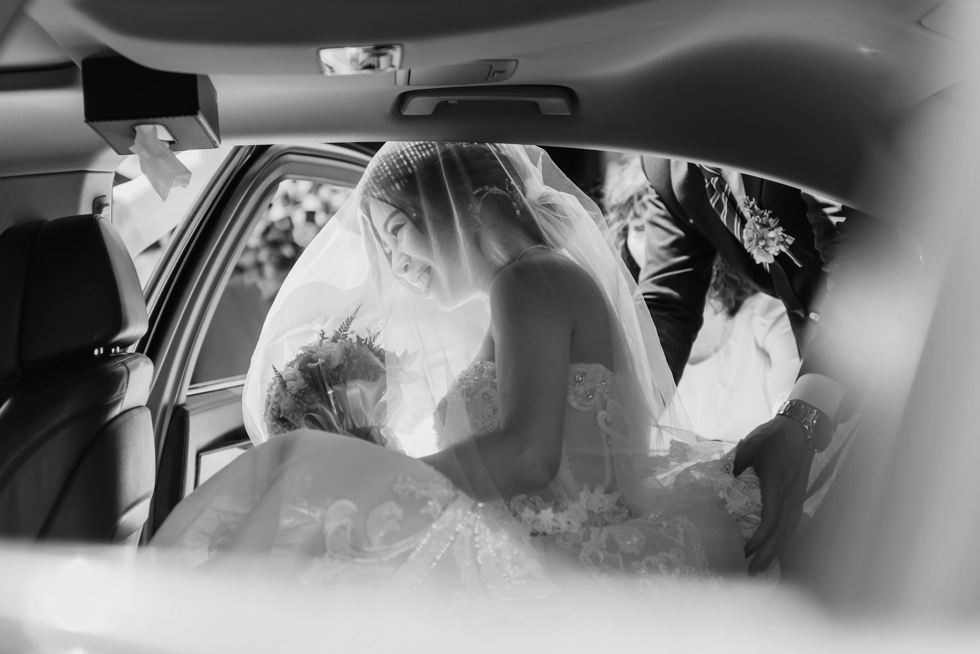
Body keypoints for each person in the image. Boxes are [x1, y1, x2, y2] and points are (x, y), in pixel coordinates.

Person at [152, 143, 763, 598]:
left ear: (458, 201)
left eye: (397, 232)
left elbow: (528, 456)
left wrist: (380, 487)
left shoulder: (528, 281)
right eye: (384, 248)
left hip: (564, 564)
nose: (396, 263)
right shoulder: (531, 282)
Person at [638, 157, 918, 575]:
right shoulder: (663, 162)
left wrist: (804, 414)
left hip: (905, 340)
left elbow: (866, 258)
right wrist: (618, 411)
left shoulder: (794, 126)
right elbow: (666, 305)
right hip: (825, 361)